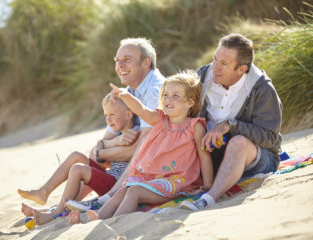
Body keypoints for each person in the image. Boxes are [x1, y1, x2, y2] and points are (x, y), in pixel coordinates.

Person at [68, 70, 213, 224]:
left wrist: (208, 184)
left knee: (134, 191)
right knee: (123, 190)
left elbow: (204, 156)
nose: (169, 99)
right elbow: (142, 110)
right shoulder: (160, 119)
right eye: (166, 95)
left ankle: (115, 222)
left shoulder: (194, 127)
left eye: (176, 96)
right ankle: (99, 219)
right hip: (151, 177)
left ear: (190, 102)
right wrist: (125, 96)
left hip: (176, 181)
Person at [179, 33, 282, 211]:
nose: (215, 67)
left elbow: (269, 137)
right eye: (215, 59)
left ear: (241, 69)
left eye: (223, 64)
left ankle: (209, 199)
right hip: (211, 157)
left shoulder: (262, 89)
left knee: (238, 143)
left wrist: (230, 126)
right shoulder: (203, 77)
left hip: (256, 160)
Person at [65, 37, 166, 211]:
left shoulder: (155, 89)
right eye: (117, 61)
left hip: (163, 160)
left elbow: (140, 148)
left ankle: (104, 198)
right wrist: (108, 147)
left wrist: (102, 152)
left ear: (146, 63)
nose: (120, 66)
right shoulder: (128, 91)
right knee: (83, 160)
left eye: (127, 60)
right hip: (133, 163)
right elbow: (102, 143)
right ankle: (65, 206)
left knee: (140, 143)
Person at [19, 93, 140, 225]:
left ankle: (55, 213)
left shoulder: (134, 134)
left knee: (77, 169)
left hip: (115, 186)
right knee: (76, 156)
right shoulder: (118, 133)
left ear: (129, 115)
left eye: (112, 115)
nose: (108, 120)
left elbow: (104, 152)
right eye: (106, 115)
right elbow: (98, 150)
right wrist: (106, 147)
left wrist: (103, 149)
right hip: (110, 177)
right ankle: (45, 196)